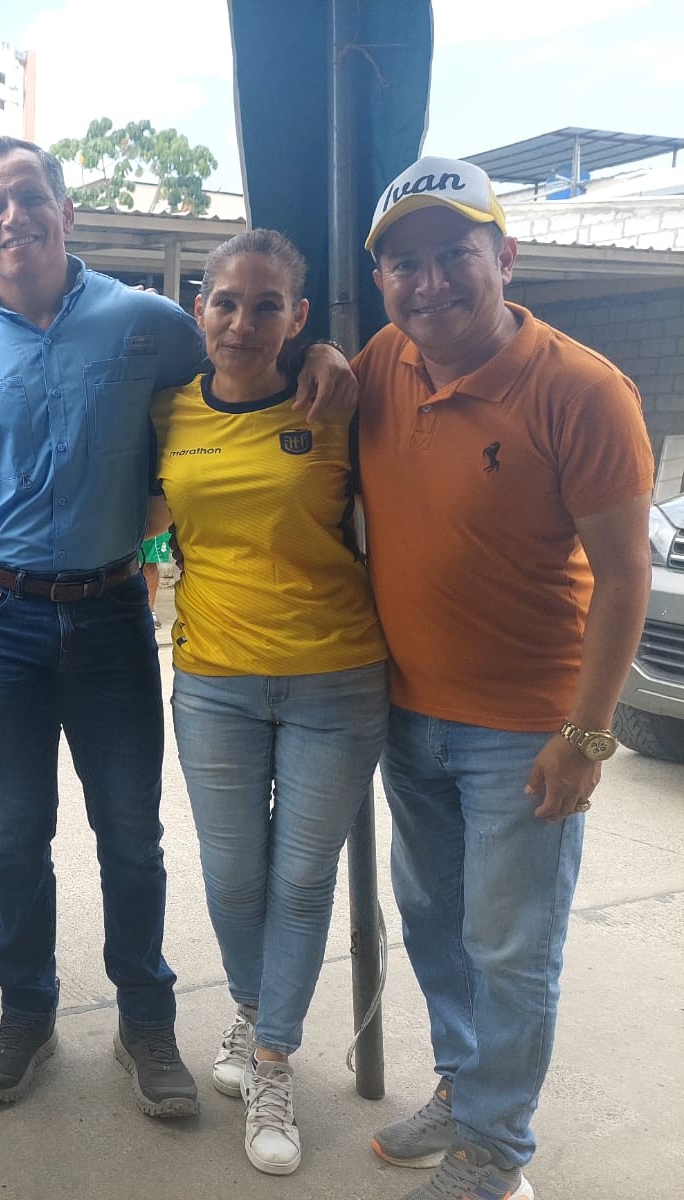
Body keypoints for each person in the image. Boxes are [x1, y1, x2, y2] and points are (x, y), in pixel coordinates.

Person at [0, 135, 356, 1111]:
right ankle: (27, 1014)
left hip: (110, 615)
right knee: (17, 833)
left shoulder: (148, 325)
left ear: (66, 212)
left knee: (132, 836)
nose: (15, 217)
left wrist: (317, 351)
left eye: (31, 196)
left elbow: (244, 355)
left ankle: (145, 1023)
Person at [356, 157, 652, 1200]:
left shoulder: (582, 390)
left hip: (525, 730)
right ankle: (464, 1089)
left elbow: (626, 575)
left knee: (511, 949)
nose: (429, 282)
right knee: (436, 927)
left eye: (455, 255)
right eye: (404, 263)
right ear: (381, 280)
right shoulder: (382, 360)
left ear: (506, 258)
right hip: (409, 715)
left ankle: (493, 1156)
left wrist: (586, 736)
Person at [148, 229, 387, 1176]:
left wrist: (332, 357)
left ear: (298, 316)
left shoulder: (336, 402)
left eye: (266, 305)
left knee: (301, 881)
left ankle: (274, 1058)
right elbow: (144, 514)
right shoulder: (167, 408)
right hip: (214, 682)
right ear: (199, 309)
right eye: (226, 302)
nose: (242, 322)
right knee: (234, 876)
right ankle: (253, 1010)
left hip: (338, 678)